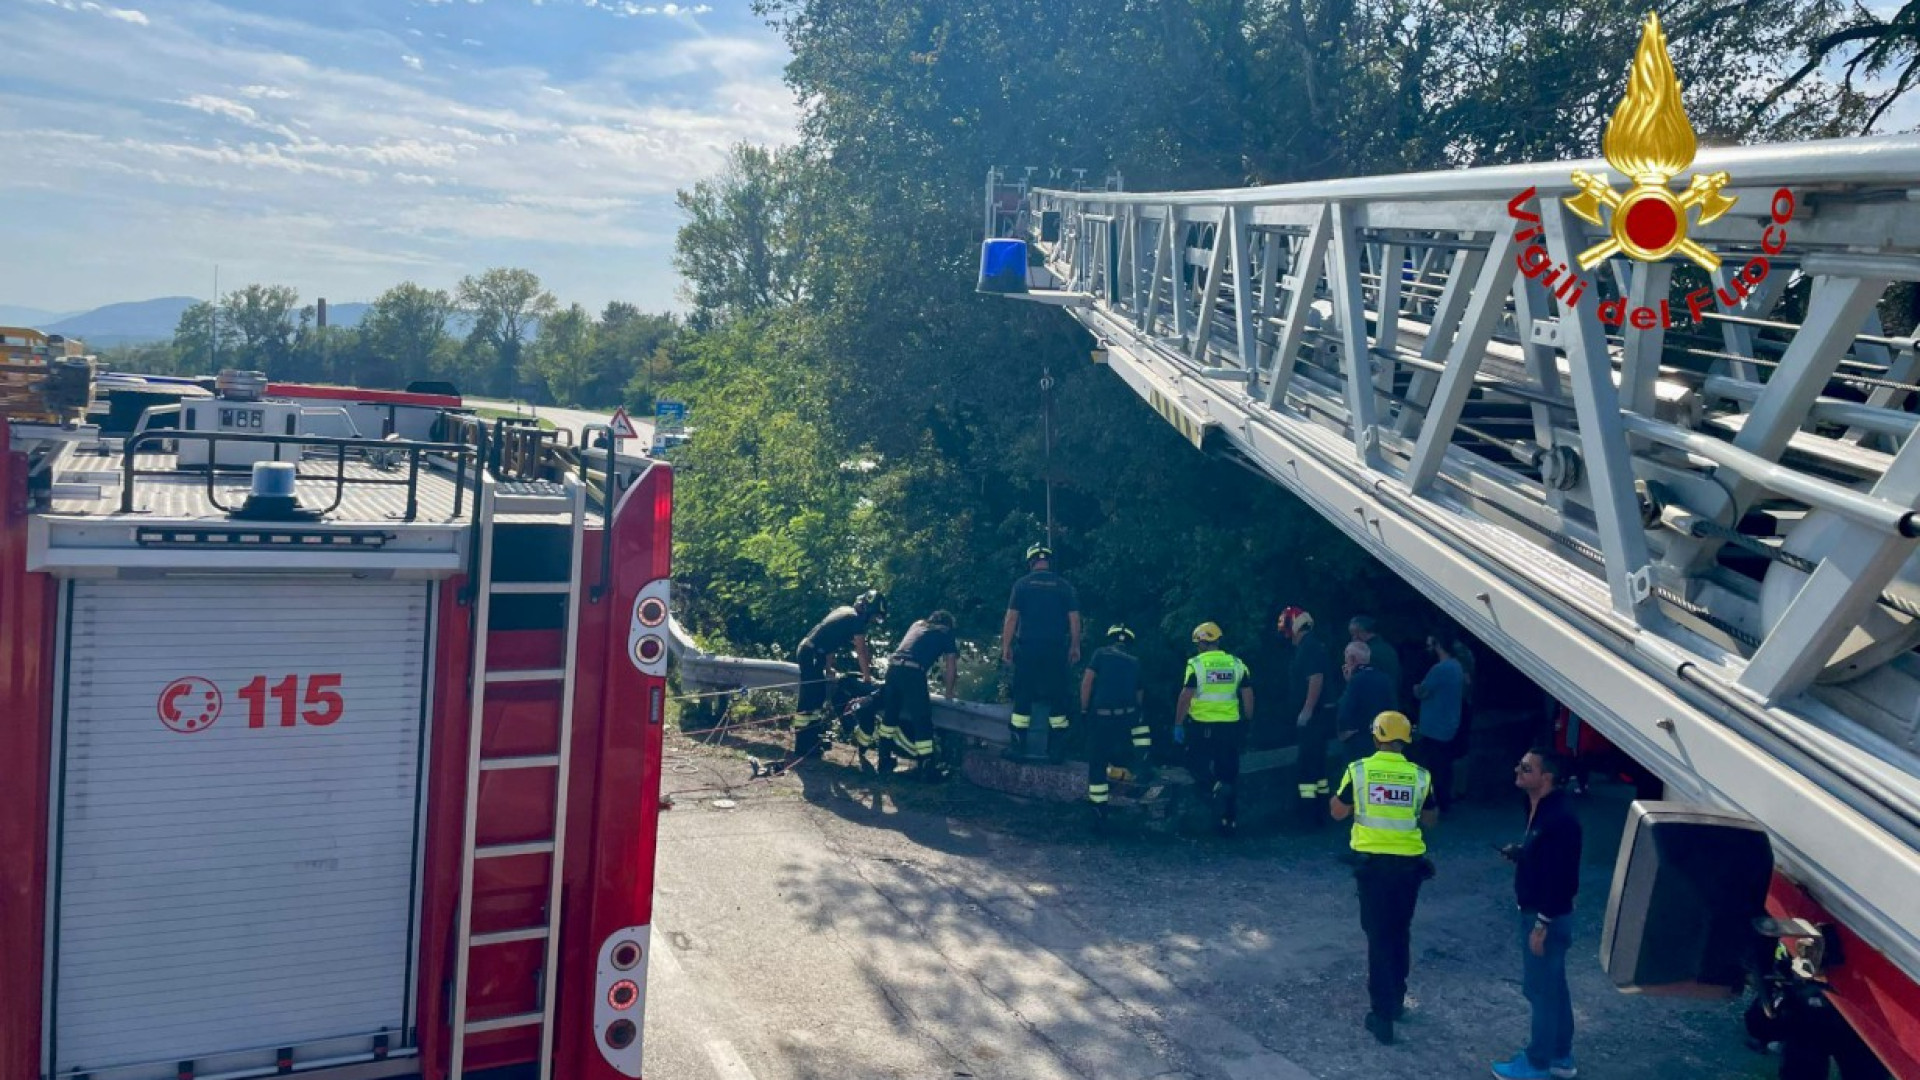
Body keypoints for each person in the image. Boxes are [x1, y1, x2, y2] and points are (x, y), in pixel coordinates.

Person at [1329, 710, 1437, 1045]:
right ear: (1405, 740)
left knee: (1377, 937)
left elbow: (1338, 811)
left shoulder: (1359, 770)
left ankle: (1382, 1013)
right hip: (1409, 868)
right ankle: (1398, 999)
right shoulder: (1421, 776)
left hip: (1373, 868)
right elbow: (1430, 819)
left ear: (1377, 737)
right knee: (1399, 931)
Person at [1493, 750, 1583, 1080]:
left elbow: (1565, 879)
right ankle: (1560, 1056)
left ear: (1546, 778)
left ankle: (1536, 1063)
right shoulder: (1538, 808)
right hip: (1543, 913)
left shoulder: (1560, 820)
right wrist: (1523, 855)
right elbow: (1547, 861)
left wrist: (1542, 923)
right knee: (1554, 986)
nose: (1517, 769)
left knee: (1540, 990)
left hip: (1546, 917)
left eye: (1526, 767)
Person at [1001, 543, 1082, 759]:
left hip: (1028, 648)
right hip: (1056, 649)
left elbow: (1011, 618)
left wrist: (1006, 645)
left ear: (1031, 562)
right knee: (1058, 697)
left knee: (1023, 695)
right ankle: (1056, 751)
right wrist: (1075, 646)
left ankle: (1018, 747)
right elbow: (1074, 619)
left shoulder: (1022, 585)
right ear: (1048, 562)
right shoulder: (1064, 586)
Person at [1175, 622, 1254, 836]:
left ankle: (1212, 787)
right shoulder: (1237, 664)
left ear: (1201, 642)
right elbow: (1248, 696)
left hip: (1202, 727)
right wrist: (1247, 721)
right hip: (1230, 727)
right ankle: (1229, 822)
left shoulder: (1196, 664)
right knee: (1229, 773)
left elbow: (1185, 696)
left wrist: (1178, 723)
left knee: (1194, 764)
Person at [877, 611, 959, 779]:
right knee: (922, 720)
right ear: (948, 624)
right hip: (913, 673)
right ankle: (926, 768)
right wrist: (949, 692)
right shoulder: (946, 632)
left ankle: (883, 761)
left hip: (893, 669)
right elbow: (950, 666)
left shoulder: (917, 624)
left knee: (890, 717)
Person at [795, 591, 886, 741]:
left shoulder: (844, 612)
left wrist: (828, 667)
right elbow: (861, 651)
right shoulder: (856, 620)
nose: (872, 621)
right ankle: (803, 743)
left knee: (817, 695)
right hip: (811, 654)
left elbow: (831, 643)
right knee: (811, 697)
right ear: (866, 610)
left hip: (811, 652)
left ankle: (810, 738)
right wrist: (867, 677)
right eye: (873, 616)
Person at [1081, 624, 1149, 824]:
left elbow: (1087, 682)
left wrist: (1084, 710)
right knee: (1138, 731)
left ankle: (1098, 812)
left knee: (1097, 763)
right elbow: (1139, 695)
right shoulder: (1135, 661)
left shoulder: (1100, 654)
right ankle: (1142, 764)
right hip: (1126, 719)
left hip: (1102, 718)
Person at [1281, 606, 1339, 826]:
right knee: (1317, 768)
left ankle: (1308, 816)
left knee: (1308, 766)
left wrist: (1306, 710)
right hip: (1319, 716)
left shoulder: (1309, 648)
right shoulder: (1312, 646)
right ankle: (1319, 812)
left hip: (1314, 718)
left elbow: (1315, 678)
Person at [1413, 634, 1467, 812]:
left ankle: (1434, 803)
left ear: (1438, 645)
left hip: (1433, 726)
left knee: (1433, 767)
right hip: (1450, 723)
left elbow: (1423, 691)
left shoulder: (1439, 669)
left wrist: (1415, 689)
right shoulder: (1457, 666)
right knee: (1445, 766)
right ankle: (1446, 801)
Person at [1336, 641, 1397, 769]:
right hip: (1380, 737)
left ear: (1352, 659)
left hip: (1358, 738)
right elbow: (1393, 707)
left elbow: (1346, 708)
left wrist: (1342, 730)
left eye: (1346, 657)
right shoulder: (1385, 678)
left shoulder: (1356, 681)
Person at [1348, 616, 1401, 707]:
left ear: (1359, 632)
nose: (1353, 639)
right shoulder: (1388, 649)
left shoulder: (1365, 654)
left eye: (1353, 634)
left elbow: (1358, 682)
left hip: (1369, 705)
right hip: (1390, 702)